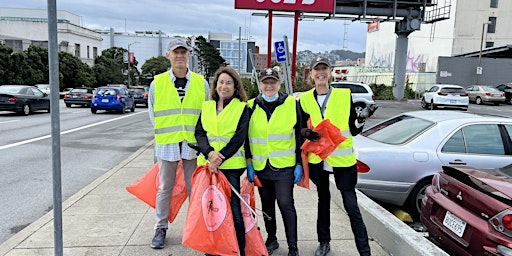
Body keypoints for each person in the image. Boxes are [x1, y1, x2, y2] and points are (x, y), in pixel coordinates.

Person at [298, 57, 371, 256]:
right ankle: (324, 242)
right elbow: (300, 126)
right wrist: (305, 133)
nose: (320, 73)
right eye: (316, 70)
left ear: (330, 72)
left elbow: (353, 129)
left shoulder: (343, 95)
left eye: (324, 69)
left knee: (351, 205)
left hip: (342, 159)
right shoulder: (303, 99)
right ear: (311, 74)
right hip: (318, 159)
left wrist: (360, 120)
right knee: (323, 199)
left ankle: (364, 250)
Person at [148, 38, 210, 249]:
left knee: (195, 188)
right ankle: (160, 227)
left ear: (189, 56)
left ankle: (195, 228)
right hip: (168, 143)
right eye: (176, 52)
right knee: (165, 187)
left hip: (193, 144)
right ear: (168, 55)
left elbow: (207, 114)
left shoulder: (201, 83)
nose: (180, 56)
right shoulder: (158, 83)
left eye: (183, 52)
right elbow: (152, 114)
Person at [245, 68, 302, 256]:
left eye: (273, 82)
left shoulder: (292, 104)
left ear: (279, 84)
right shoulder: (251, 106)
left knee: (286, 203)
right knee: (267, 205)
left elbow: (300, 135)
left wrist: (299, 163)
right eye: (265, 82)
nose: (269, 86)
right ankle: (272, 239)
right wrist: (249, 163)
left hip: (285, 165)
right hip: (261, 166)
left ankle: (293, 246)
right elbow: (245, 137)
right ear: (260, 84)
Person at [195, 67, 250, 256]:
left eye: (228, 83)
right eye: (221, 82)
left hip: (231, 168)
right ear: (215, 85)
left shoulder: (242, 108)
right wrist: (210, 153)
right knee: (211, 212)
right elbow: (200, 133)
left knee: (234, 212)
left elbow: (239, 137)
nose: (223, 86)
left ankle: (238, 250)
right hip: (208, 168)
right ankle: (212, 249)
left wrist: (219, 158)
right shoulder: (207, 106)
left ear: (235, 87)